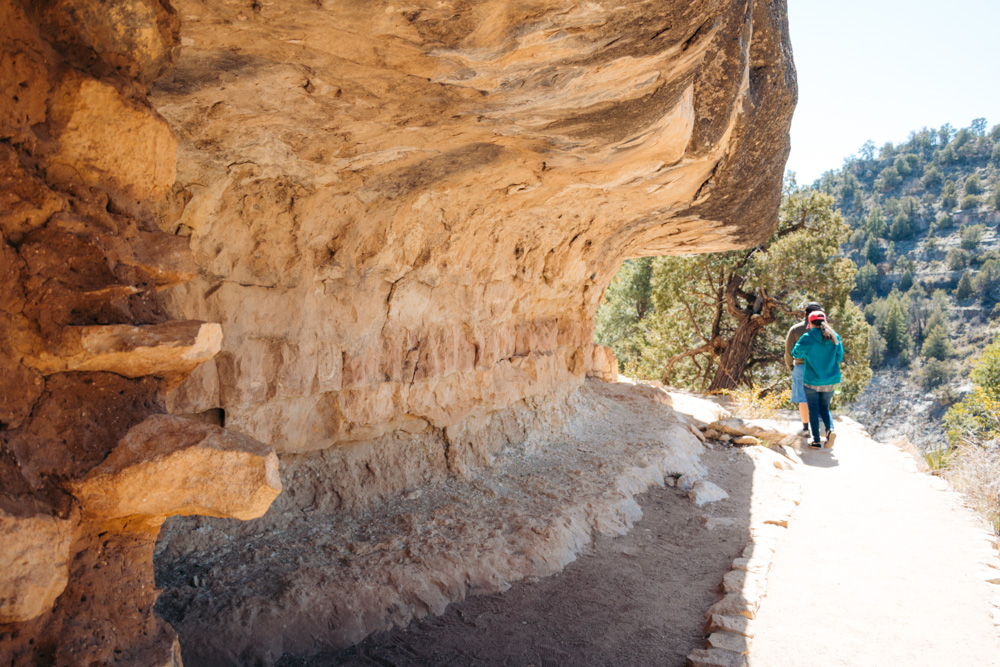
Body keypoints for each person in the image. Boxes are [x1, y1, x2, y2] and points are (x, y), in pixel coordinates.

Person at [791, 310, 844, 450]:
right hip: (831, 380)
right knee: (824, 407)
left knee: (813, 409)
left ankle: (815, 441)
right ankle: (830, 429)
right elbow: (839, 357)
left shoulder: (807, 337)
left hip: (812, 380)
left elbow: (795, 353)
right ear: (825, 321)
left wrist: (807, 352)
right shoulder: (835, 337)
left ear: (810, 322)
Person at [784, 302, 824, 437]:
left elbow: (789, 352)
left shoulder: (795, 329)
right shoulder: (825, 331)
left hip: (801, 367)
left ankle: (806, 429)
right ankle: (820, 426)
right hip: (819, 368)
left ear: (805, 314)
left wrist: (791, 366)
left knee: (803, 398)